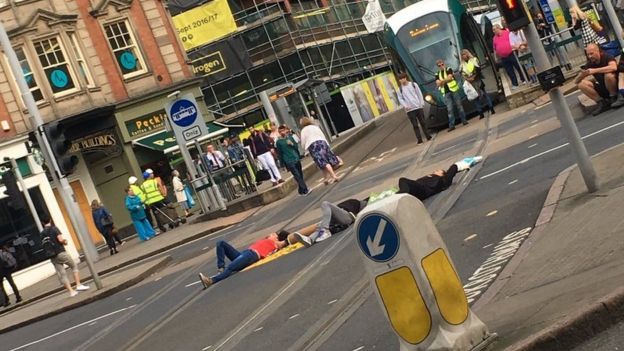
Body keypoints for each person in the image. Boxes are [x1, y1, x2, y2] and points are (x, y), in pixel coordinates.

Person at [198, 230, 289, 288]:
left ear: (277, 238)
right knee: (220, 243)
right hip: (246, 253)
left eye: (275, 234)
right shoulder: (268, 240)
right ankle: (221, 268)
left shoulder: (275, 244)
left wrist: (284, 240)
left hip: (251, 255)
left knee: (231, 267)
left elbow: (284, 242)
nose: (272, 233)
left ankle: (211, 280)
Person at [40, 218, 90, 297]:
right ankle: (78, 285)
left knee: (63, 274)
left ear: (42, 223)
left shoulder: (42, 233)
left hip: (52, 256)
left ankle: (71, 292)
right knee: (74, 266)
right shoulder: (54, 228)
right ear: (50, 220)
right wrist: (65, 241)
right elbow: (60, 240)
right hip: (61, 252)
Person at [397, 156, 483, 201]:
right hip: (416, 189)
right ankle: (398, 196)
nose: (435, 171)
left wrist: (467, 163)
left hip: (422, 190)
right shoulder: (430, 177)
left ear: (442, 174)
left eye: (438, 171)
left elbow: (454, 168)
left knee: (402, 180)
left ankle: (398, 196)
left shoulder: (443, 181)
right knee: (405, 184)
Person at [290, 198, 368, 247]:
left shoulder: (356, 202)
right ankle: (310, 239)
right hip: (337, 219)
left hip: (348, 217)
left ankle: (324, 230)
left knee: (325, 204)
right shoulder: (354, 202)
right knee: (321, 224)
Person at [575, 43, 618, 115]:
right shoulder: (590, 63)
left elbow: (613, 67)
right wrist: (582, 75)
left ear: (597, 51)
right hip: (603, 87)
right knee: (581, 84)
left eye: (591, 53)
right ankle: (602, 102)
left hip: (615, 85)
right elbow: (576, 81)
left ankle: (613, 97)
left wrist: (595, 70)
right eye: (588, 54)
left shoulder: (607, 57)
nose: (590, 56)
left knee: (608, 75)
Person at [300, 117, 343, 185]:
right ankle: (326, 178)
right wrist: (327, 144)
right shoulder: (315, 127)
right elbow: (322, 135)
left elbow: (303, 141)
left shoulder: (303, 130)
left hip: (313, 146)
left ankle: (334, 176)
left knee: (322, 162)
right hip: (322, 143)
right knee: (322, 162)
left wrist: (304, 149)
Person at [396, 72, 432, 144]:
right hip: (409, 110)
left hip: (418, 107)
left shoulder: (413, 85)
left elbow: (419, 94)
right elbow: (400, 99)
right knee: (415, 125)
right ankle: (419, 139)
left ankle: (428, 136)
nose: (402, 80)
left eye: (403, 78)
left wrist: (421, 103)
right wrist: (405, 106)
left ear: (406, 78)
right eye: (400, 79)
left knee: (423, 122)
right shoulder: (399, 89)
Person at [460, 49, 495, 119]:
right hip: (470, 82)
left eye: (464, 54)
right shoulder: (462, 64)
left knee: (484, 94)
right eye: (462, 55)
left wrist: (473, 77)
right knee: (475, 98)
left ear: (467, 54)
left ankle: (491, 108)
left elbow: (478, 69)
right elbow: (461, 73)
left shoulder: (474, 60)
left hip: (477, 80)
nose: (463, 56)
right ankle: (480, 113)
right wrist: (468, 79)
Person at [275, 125, 309, 196]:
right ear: (279, 132)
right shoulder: (279, 142)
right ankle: (305, 189)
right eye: (280, 131)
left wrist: (292, 144)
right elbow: (279, 153)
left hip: (296, 158)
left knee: (300, 174)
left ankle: (301, 190)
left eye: (283, 130)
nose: (282, 132)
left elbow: (296, 147)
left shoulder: (290, 138)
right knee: (297, 175)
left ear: (285, 130)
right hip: (288, 160)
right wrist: (282, 165)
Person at [435, 59, 467, 131]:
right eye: (439, 65)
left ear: (444, 63)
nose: (441, 66)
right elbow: (438, 83)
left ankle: (464, 120)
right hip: (446, 93)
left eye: (442, 64)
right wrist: (444, 81)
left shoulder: (449, 69)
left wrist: (442, 81)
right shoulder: (437, 74)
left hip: (454, 90)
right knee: (449, 109)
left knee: (459, 106)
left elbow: (450, 78)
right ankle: (451, 125)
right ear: (438, 66)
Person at [493, 24, 527, 90]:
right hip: (503, 57)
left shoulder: (507, 33)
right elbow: (494, 48)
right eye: (493, 30)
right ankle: (515, 84)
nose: (493, 31)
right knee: (509, 71)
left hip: (512, 53)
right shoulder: (494, 38)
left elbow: (514, 40)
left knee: (519, 66)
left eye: (494, 29)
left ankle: (524, 79)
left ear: (498, 28)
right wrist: (496, 57)